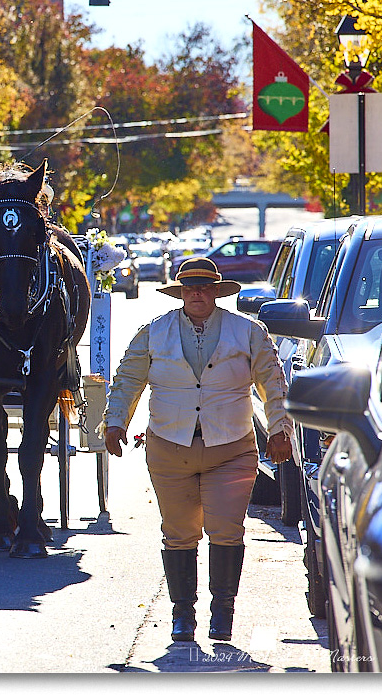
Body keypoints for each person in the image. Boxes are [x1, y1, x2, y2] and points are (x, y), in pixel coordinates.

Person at [102, 257, 293, 643]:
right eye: (190, 288)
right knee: (178, 532)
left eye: (205, 288)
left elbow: (273, 383)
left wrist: (280, 429)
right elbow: (127, 379)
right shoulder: (154, 332)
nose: (197, 294)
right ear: (180, 293)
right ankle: (182, 615)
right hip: (170, 446)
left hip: (232, 447)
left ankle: (223, 611)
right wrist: (115, 422)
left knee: (225, 529)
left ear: (217, 292)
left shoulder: (249, 332)